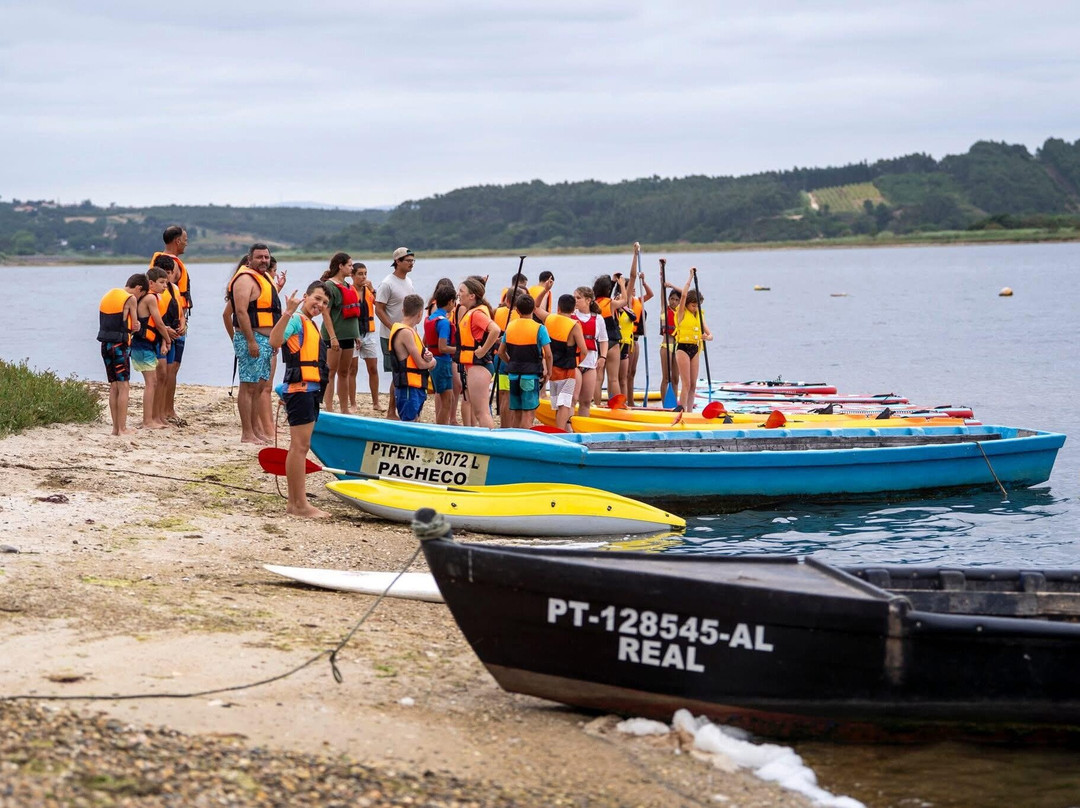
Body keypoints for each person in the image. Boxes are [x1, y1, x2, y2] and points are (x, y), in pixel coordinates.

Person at [269, 281, 332, 518]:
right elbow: (275, 341)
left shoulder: (311, 324)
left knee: (300, 447)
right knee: (299, 447)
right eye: (317, 298)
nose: (320, 304)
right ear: (305, 296)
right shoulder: (295, 319)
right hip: (301, 390)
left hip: (308, 390)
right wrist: (286, 312)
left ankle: (296, 504)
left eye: (324, 302)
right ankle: (299, 505)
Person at [225, 243, 281, 443]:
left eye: (266, 257)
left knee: (259, 386)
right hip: (251, 339)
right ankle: (247, 433)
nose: (264, 260)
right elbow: (240, 312)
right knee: (248, 386)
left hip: (266, 340)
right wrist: (250, 341)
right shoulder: (244, 279)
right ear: (249, 259)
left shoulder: (265, 279)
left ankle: (256, 430)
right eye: (259, 257)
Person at [97, 273, 148, 436]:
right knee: (124, 385)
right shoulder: (130, 299)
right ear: (139, 288)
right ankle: (123, 428)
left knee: (113, 386)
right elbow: (133, 326)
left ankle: (115, 428)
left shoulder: (108, 295)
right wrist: (138, 326)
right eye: (142, 295)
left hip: (105, 345)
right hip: (120, 345)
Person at [498, 296, 552, 429]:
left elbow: (500, 352)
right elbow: (549, 354)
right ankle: (525, 443)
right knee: (528, 413)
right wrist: (549, 372)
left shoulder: (510, 326)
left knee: (516, 412)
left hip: (514, 374)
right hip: (530, 375)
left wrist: (510, 361)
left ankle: (515, 441)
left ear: (517, 310)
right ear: (534, 308)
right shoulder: (540, 328)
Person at [376, 247, 416, 419]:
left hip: (408, 333)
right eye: (408, 261)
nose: (411, 264)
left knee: (407, 372)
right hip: (391, 335)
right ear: (397, 262)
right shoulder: (387, 283)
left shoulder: (409, 281)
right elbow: (378, 309)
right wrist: (393, 327)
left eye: (413, 260)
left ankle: (404, 408)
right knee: (397, 373)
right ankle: (391, 411)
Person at [456, 277, 501, 429]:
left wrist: (482, 350)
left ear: (472, 296)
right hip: (474, 366)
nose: (458, 294)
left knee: (482, 412)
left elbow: (495, 329)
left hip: (479, 366)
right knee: (478, 411)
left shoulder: (476, 314)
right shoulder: (472, 312)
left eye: (461, 291)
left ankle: (490, 443)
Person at [131, 266, 172, 430]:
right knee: (151, 382)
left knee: (153, 382)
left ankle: (153, 419)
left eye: (166, 283)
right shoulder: (150, 298)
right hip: (142, 344)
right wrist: (168, 340)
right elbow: (159, 323)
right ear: (151, 283)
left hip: (148, 344)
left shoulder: (150, 297)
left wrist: (162, 341)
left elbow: (156, 325)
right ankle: (147, 421)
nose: (164, 286)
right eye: (162, 282)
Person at [318, 252, 359, 414]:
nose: (352, 268)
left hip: (349, 336)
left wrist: (356, 335)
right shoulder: (329, 286)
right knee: (330, 372)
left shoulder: (349, 286)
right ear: (340, 266)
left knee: (344, 372)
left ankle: (344, 408)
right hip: (334, 337)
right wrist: (333, 337)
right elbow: (325, 312)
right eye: (349, 265)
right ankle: (328, 408)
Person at [542, 294, 588, 431]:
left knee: (557, 403)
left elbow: (536, 308)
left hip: (553, 368)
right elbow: (584, 350)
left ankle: (558, 429)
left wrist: (545, 290)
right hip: (567, 369)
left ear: (558, 307)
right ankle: (561, 432)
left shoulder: (549, 319)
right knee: (565, 404)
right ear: (574, 308)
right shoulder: (574, 325)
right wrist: (578, 363)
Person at [389, 294, 436, 422]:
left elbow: (418, 356)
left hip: (416, 386)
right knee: (409, 422)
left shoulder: (409, 330)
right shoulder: (405, 332)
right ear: (420, 313)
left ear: (403, 310)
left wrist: (427, 355)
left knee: (416, 420)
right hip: (409, 387)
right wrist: (433, 362)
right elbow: (420, 364)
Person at [673, 268, 713, 412]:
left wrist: (707, 337)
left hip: (695, 349)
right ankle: (682, 410)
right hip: (683, 348)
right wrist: (690, 277)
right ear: (688, 304)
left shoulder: (699, 315)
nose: (695, 308)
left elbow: (711, 335)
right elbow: (683, 295)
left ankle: (690, 411)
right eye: (693, 305)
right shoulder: (681, 313)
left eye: (697, 305)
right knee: (686, 383)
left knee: (693, 385)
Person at [157, 255, 188, 426]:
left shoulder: (175, 288)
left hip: (177, 333)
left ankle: (169, 408)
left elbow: (181, 311)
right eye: (166, 273)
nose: (169, 277)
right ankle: (159, 410)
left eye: (171, 273)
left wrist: (182, 324)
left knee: (172, 372)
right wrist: (165, 331)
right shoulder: (154, 292)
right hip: (163, 335)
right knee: (162, 374)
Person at [424, 281, 458, 425]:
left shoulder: (429, 318)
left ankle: (440, 425)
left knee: (442, 396)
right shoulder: (443, 322)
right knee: (447, 400)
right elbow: (443, 347)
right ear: (450, 302)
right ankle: (442, 428)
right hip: (442, 361)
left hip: (433, 361)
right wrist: (460, 350)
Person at [349, 262, 380, 411]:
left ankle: (376, 402)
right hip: (353, 334)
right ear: (352, 275)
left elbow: (379, 305)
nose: (363, 277)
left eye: (365, 274)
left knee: (373, 368)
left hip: (369, 333)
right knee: (352, 369)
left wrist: (373, 289)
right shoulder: (348, 291)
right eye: (360, 274)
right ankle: (353, 403)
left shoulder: (369, 291)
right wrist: (355, 335)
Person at [572, 286, 607, 418]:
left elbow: (604, 339)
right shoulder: (572, 316)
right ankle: (568, 427)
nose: (575, 300)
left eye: (578, 298)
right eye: (574, 297)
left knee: (586, 401)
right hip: (575, 363)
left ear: (588, 300)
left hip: (591, 363)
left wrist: (603, 357)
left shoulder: (598, 319)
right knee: (573, 399)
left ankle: (582, 427)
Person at [591, 272, 626, 406]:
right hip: (612, 343)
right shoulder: (611, 303)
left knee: (598, 379)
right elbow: (625, 301)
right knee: (613, 379)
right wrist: (622, 285)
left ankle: (598, 405)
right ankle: (617, 406)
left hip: (599, 344)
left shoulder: (593, 305)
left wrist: (612, 282)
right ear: (608, 291)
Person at [625, 268, 654, 406]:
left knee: (632, 372)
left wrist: (643, 281)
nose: (634, 290)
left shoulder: (638, 301)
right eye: (631, 288)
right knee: (627, 372)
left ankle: (630, 401)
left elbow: (650, 294)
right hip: (628, 340)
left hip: (636, 341)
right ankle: (627, 401)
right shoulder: (626, 302)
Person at [659, 286, 682, 405]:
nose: (674, 302)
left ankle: (673, 404)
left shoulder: (681, 312)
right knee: (666, 377)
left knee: (676, 379)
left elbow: (686, 295)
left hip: (678, 347)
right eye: (672, 299)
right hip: (666, 346)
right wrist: (662, 275)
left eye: (677, 300)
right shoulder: (664, 310)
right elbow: (662, 295)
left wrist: (672, 285)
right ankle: (664, 405)